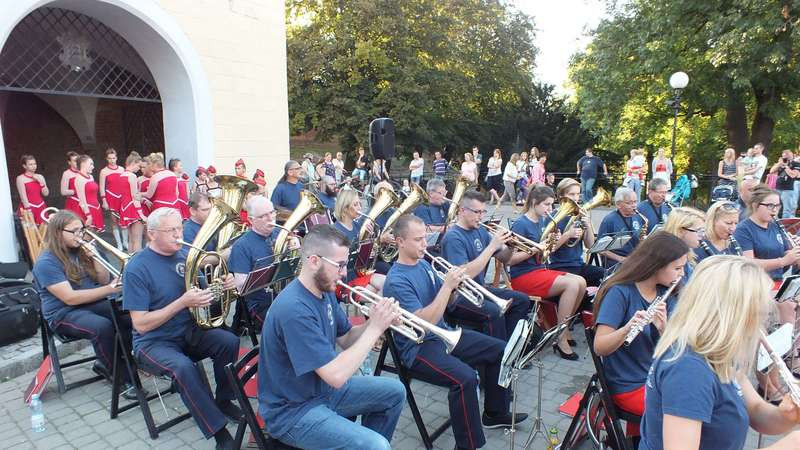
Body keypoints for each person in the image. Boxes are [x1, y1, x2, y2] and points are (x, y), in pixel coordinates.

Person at [383, 214, 528, 450]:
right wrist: (448, 286)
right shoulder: (396, 280)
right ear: (399, 241)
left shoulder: (424, 264)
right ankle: (467, 445)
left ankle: (494, 412)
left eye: (425, 238)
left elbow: (447, 306)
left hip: (443, 334)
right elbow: (423, 322)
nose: (425, 244)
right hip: (418, 347)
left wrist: (456, 288)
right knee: (465, 379)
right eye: (418, 240)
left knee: (500, 350)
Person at [258, 225, 405, 449]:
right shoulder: (294, 309)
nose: (345, 273)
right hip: (292, 412)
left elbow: (346, 338)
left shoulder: (324, 291)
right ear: (314, 261)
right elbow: (335, 376)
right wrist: (375, 328)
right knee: (376, 445)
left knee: (395, 392)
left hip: (321, 393)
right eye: (340, 265)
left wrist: (374, 321)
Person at [639, 256, 800, 450]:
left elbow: (756, 411)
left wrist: (788, 415)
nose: (762, 321)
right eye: (758, 312)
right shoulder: (688, 371)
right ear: (734, 312)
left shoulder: (720, 351)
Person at [122, 208, 242, 449]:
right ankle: (219, 433)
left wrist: (224, 284)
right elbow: (141, 324)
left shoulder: (184, 255)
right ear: (152, 233)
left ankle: (224, 399)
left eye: (180, 228)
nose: (179, 235)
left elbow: (204, 292)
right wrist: (181, 303)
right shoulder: (137, 268)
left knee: (229, 341)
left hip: (188, 332)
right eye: (171, 230)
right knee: (183, 368)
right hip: (153, 342)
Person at [32, 209, 138, 398]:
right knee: (102, 327)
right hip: (62, 312)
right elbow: (70, 298)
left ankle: (121, 361)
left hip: (92, 302)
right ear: (58, 233)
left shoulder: (82, 251)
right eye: (75, 231)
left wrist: (95, 257)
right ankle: (121, 377)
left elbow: (105, 280)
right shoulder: (46, 262)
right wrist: (109, 290)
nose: (80, 235)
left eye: (82, 230)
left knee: (127, 314)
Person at [593, 232, 688, 437]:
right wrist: (628, 328)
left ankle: (638, 439)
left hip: (655, 377)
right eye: (677, 268)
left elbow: (673, 350)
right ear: (657, 265)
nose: (682, 275)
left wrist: (663, 329)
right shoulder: (620, 293)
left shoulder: (666, 293)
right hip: (628, 384)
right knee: (682, 417)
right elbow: (599, 346)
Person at [440, 190, 533, 341]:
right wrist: (491, 247)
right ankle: (498, 354)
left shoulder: (480, 230)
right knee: (494, 312)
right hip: (460, 296)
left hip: (480, 289)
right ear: (462, 211)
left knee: (522, 300)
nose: (481, 217)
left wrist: (510, 246)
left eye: (483, 212)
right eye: (477, 212)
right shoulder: (453, 237)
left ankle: (510, 347)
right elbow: (463, 274)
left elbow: (505, 259)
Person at [508, 185, 587, 359]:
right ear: (534, 203)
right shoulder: (521, 223)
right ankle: (560, 337)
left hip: (539, 270)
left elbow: (545, 254)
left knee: (581, 282)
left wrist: (552, 243)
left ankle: (562, 329)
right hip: (523, 276)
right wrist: (537, 248)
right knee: (572, 284)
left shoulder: (543, 221)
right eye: (546, 205)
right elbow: (510, 260)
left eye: (552, 205)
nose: (550, 209)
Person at [229, 196, 280, 324]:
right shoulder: (241, 245)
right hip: (261, 304)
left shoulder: (280, 233)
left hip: (285, 295)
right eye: (263, 216)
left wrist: (295, 246)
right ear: (251, 220)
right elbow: (241, 286)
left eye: (272, 212)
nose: (270, 218)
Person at [734, 184, 800, 281]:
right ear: (755, 205)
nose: (775, 210)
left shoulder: (776, 225)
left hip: (777, 281)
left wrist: (795, 254)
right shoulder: (743, 229)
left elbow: (786, 252)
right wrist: (782, 261)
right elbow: (748, 263)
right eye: (770, 206)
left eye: (778, 206)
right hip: (756, 284)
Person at [547, 178, 605, 287]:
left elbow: (590, 245)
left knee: (605, 275)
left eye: (578, 194)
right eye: (571, 194)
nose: (575, 198)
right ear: (561, 196)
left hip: (578, 264)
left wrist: (588, 225)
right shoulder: (553, 217)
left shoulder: (579, 215)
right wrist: (568, 234)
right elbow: (549, 249)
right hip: (559, 266)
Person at [597, 187, 646, 268]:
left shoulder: (638, 217)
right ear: (618, 204)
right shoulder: (609, 220)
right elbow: (600, 249)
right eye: (629, 203)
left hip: (633, 258)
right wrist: (621, 259)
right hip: (616, 262)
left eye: (635, 202)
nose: (634, 206)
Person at [661, 207, 705, 280]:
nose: (703, 235)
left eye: (703, 231)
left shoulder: (685, 253)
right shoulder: (670, 258)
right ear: (681, 230)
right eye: (699, 231)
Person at [118, 152, 148, 253]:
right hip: (133, 208)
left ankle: (130, 262)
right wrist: (141, 214)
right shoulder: (132, 176)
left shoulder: (121, 175)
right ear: (133, 163)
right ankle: (137, 264)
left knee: (131, 239)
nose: (139, 168)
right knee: (137, 240)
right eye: (139, 166)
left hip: (125, 208)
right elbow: (135, 196)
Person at [99, 148, 125, 249]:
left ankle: (125, 242)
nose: (112, 160)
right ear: (107, 159)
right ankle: (119, 244)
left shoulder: (122, 169)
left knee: (123, 220)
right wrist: (104, 201)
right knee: (114, 221)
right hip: (111, 197)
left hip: (122, 197)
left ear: (116, 158)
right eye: (110, 158)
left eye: (114, 158)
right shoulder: (104, 171)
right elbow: (102, 187)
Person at [73, 155, 104, 231]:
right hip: (87, 211)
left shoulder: (91, 177)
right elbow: (82, 201)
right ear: (83, 164)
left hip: (96, 208)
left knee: (94, 237)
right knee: (88, 237)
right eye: (91, 164)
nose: (93, 167)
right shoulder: (79, 179)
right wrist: (88, 215)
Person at [16, 154, 49, 225]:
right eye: (30, 164)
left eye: (35, 164)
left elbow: (46, 193)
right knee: (31, 232)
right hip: (29, 207)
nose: (34, 166)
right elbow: (23, 196)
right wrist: (28, 210)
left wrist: (41, 182)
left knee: (44, 229)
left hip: (41, 206)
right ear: (24, 166)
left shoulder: (40, 176)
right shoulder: (20, 178)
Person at [770, 149, 800, 218]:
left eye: (788, 156)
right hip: (778, 188)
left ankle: (786, 226)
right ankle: (775, 224)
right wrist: (779, 164)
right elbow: (771, 171)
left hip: (788, 189)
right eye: (785, 156)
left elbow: (793, 175)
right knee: (776, 207)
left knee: (787, 210)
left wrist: (786, 166)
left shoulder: (796, 164)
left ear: (792, 156)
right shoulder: (781, 164)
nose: (787, 158)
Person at [60, 151, 81, 218]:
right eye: (75, 161)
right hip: (73, 203)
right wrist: (76, 191)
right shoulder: (66, 173)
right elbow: (63, 192)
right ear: (69, 162)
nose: (77, 162)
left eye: (78, 160)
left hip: (85, 202)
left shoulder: (83, 171)